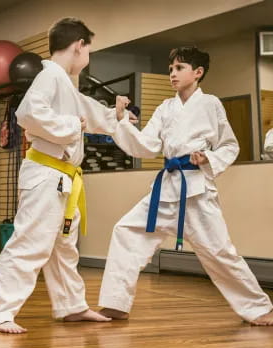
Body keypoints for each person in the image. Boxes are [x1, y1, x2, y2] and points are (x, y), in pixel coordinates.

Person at [0, 17, 138, 334]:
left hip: (63, 177)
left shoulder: (63, 82)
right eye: (89, 50)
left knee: (63, 247)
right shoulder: (48, 75)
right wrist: (71, 128)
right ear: (79, 45)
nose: (88, 57)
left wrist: (115, 116)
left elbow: (86, 110)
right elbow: (28, 115)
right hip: (46, 173)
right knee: (30, 244)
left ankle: (71, 306)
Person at [98, 46, 273, 326]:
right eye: (170, 69)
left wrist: (208, 158)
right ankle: (115, 304)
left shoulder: (211, 104)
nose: (172, 74)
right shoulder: (165, 108)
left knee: (219, 252)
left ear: (198, 72)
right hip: (166, 189)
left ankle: (258, 308)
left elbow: (230, 145)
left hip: (196, 192)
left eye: (179, 68)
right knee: (126, 230)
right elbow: (146, 145)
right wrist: (121, 120)